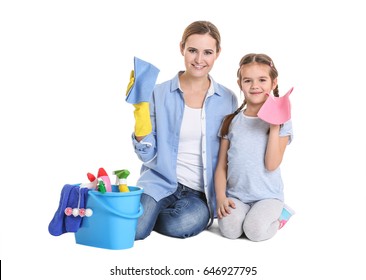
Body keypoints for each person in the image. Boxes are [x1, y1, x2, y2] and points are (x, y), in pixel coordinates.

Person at [129, 21, 238, 240]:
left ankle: (142, 214)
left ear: (218, 53)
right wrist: (140, 111)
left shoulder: (228, 99)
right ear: (182, 48)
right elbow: (148, 154)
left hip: (199, 193)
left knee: (184, 223)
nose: (199, 60)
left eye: (207, 52)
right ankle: (141, 217)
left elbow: (230, 153)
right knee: (137, 230)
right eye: (192, 51)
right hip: (160, 180)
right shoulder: (158, 93)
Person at [214, 53, 294, 242]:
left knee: (255, 231)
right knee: (229, 230)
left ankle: (281, 214)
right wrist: (220, 198)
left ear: (274, 82)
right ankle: (249, 214)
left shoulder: (283, 122)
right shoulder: (231, 121)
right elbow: (221, 166)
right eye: (248, 80)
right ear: (240, 83)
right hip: (238, 196)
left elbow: (271, 164)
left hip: (267, 196)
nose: (255, 86)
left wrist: (274, 126)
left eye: (262, 80)